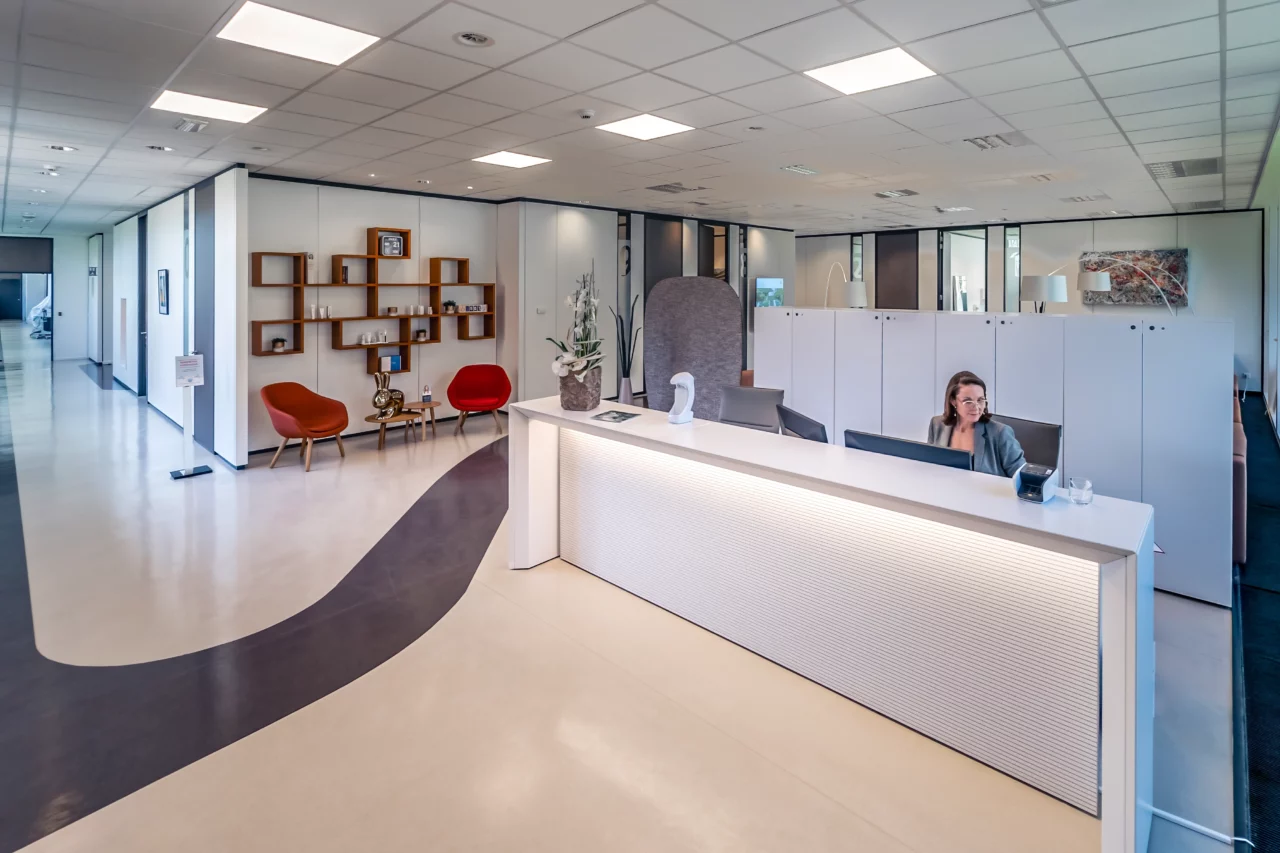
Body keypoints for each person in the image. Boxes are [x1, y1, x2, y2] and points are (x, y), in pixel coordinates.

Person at [927, 371, 1025, 477]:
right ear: (953, 401)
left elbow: (1021, 477)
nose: (976, 407)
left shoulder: (1000, 433)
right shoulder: (937, 425)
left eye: (980, 400)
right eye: (968, 401)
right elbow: (929, 466)